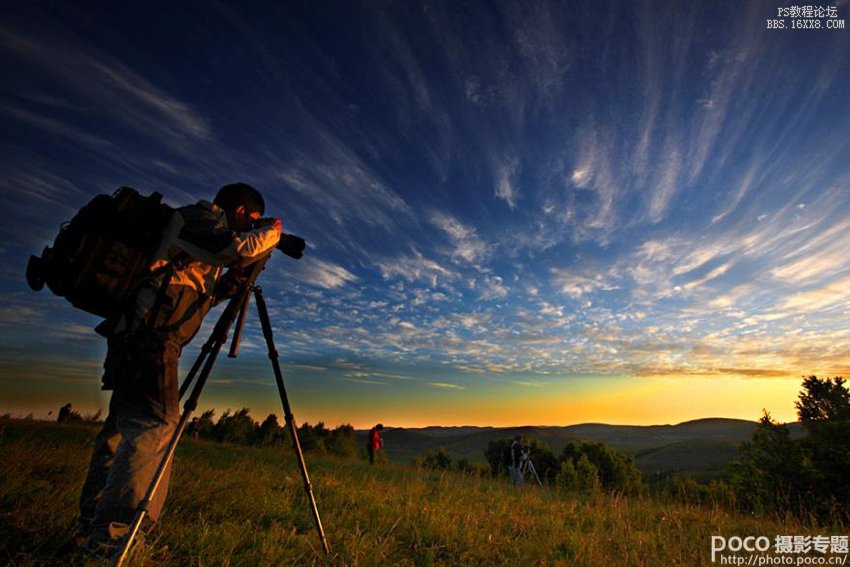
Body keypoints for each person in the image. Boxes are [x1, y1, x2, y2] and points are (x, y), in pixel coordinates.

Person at [75, 183, 282, 557]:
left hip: (140, 336)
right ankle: (115, 538)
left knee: (120, 432)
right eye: (251, 219)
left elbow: (201, 297)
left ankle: (91, 528)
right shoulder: (196, 218)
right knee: (153, 428)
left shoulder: (194, 241)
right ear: (240, 210)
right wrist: (271, 231)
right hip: (150, 338)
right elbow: (233, 249)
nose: (250, 227)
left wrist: (235, 282)